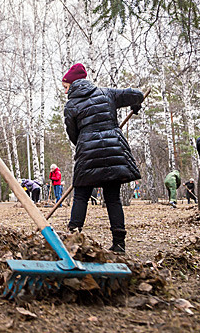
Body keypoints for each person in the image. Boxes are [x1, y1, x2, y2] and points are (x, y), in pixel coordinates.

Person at [62, 63, 144, 254]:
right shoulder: (106, 93)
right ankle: (119, 243)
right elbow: (137, 94)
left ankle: (72, 240)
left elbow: (72, 134)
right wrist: (135, 104)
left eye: (66, 87)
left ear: (73, 84)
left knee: (81, 196)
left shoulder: (71, 105)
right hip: (113, 151)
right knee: (112, 198)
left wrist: (86, 142)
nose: (65, 91)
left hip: (87, 154)